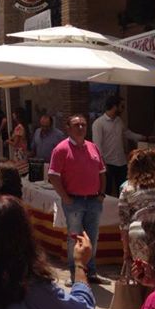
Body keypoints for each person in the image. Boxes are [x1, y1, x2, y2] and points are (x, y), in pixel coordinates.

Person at [48, 114, 108, 285]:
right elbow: (53, 176)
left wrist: (101, 194)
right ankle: (75, 275)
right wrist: (65, 198)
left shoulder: (93, 147)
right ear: (68, 128)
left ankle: (91, 272)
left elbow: (102, 173)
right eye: (76, 125)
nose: (81, 127)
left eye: (83, 124)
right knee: (74, 239)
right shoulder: (61, 149)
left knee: (93, 238)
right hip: (74, 202)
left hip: (93, 201)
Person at [118, 149, 155, 263]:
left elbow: (124, 223)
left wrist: (126, 251)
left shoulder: (127, 188)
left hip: (140, 232)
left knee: (144, 274)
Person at [92, 95, 149, 197]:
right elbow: (97, 145)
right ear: (115, 106)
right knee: (107, 191)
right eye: (122, 106)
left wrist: (145, 138)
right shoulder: (98, 123)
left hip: (121, 162)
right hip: (107, 162)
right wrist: (102, 163)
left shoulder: (119, 121)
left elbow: (127, 133)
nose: (123, 109)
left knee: (123, 190)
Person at [7, 107, 29, 175]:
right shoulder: (23, 126)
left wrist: (7, 141)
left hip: (19, 152)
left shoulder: (19, 128)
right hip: (23, 150)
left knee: (19, 170)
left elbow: (15, 143)